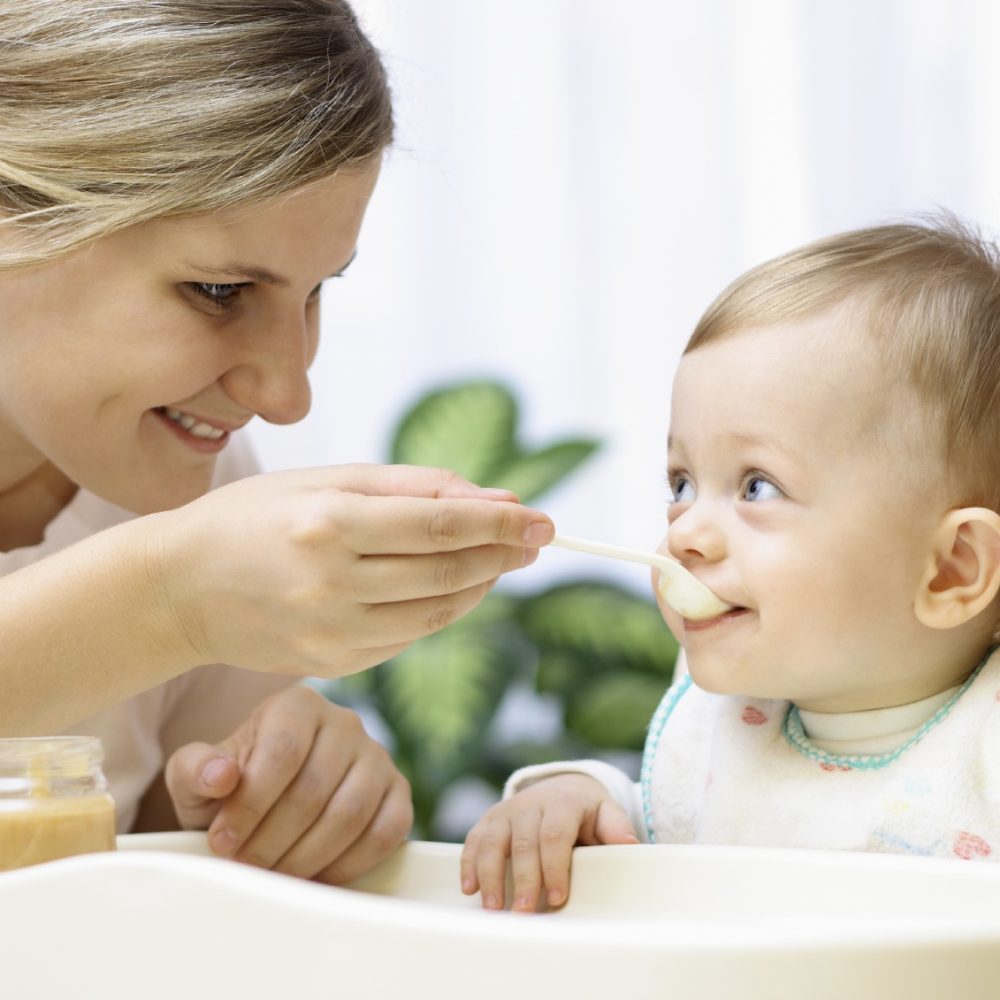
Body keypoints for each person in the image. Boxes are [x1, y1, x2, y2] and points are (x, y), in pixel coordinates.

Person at [0, 1, 554, 884]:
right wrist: (164, 599)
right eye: (219, 290)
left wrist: (280, 797)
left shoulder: (179, 466)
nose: (285, 395)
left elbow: (148, 862)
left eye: (317, 291)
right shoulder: (175, 531)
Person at [461, 217, 1000, 912]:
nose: (686, 531)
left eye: (757, 487)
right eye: (681, 483)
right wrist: (582, 799)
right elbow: (663, 830)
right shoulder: (722, 724)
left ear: (951, 570)